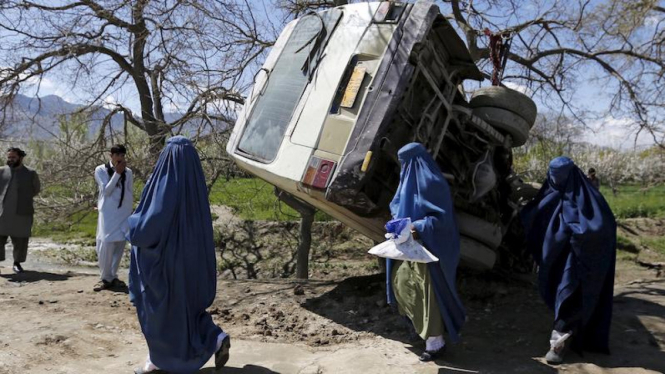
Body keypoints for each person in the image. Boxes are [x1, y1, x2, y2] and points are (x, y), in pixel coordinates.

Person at [128, 136, 230, 374]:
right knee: (189, 309)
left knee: (161, 313)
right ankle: (216, 338)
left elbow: (151, 223)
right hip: (194, 259)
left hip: (168, 262)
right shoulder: (195, 184)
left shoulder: (166, 180)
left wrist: (132, 227)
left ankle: (158, 360)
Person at [523, 157, 616, 364]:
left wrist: (580, 237)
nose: (557, 179)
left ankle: (558, 345)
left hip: (578, 261)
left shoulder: (590, 200)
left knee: (569, 298)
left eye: (561, 175)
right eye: (553, 174)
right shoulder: (549, 196)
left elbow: (603, 228)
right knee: (560, 297)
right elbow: (534, 219)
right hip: (554, 261)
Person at [385, 143, 465, 362]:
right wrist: (396, 225)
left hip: (431, 249)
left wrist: (416, 227)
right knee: (401, 284)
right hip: (408, 248)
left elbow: (441, 220)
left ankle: (435, 342)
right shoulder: (406, 182)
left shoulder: (433, 182)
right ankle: (423, 329)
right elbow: (398, 206)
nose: (404, 167)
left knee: (427, 294)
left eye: (407, 162)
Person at [94, 144, 133, 291]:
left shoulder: (128, 172)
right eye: (118, 155)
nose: (120, 158)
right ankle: (105, 277)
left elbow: (129, 192)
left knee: (120, 243)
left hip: (123, 213)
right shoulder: (101, 170)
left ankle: (113, 276)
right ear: (111, 156)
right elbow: (106, 191)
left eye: (123, 156)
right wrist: (117, 173)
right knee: (106, 243)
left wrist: (129, 211)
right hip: (108, 213)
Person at [0, 147, 40, 273]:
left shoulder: (30, 173)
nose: (10, 160)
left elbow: (36, 189)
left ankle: (17, 263)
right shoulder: (1, 171)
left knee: (21, 240)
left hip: (22, 211)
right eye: (9, 157)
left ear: (20, 158)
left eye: (13, 157)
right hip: (2, 212)